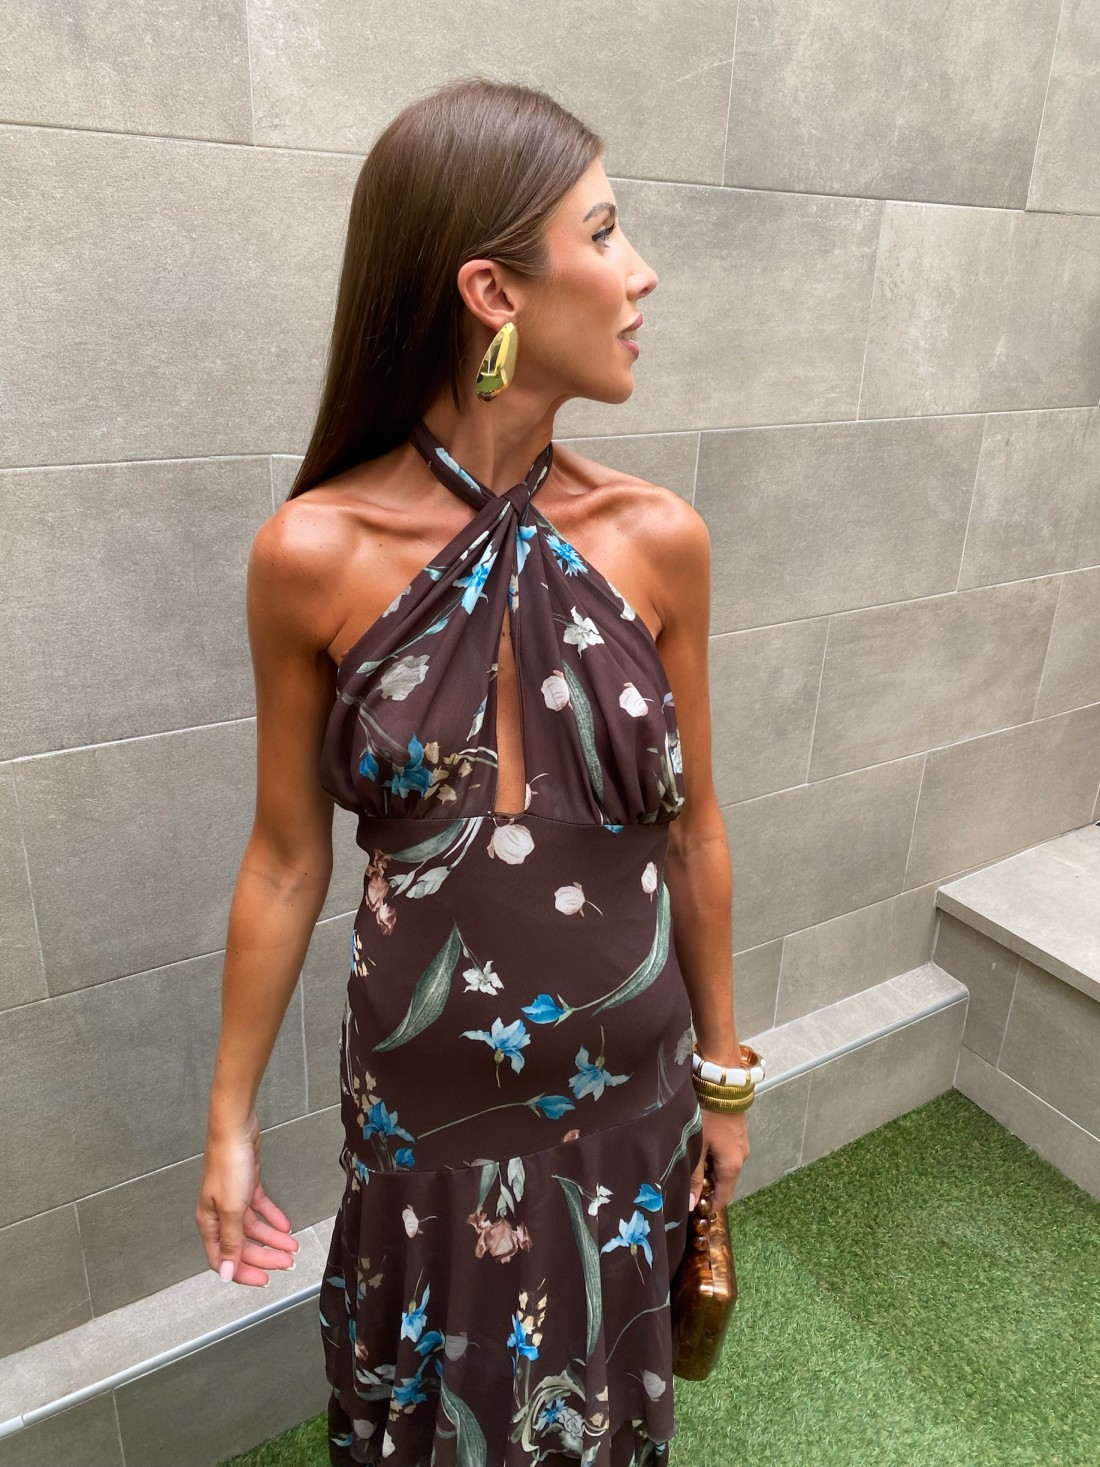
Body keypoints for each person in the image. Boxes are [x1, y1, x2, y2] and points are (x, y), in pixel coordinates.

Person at [196, 77, 749, 1467]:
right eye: (605, 233)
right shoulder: (310, 555)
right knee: (426, 1418)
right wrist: (228, 1120)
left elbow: (695, 833)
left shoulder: (661, 538)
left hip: (631, 1100)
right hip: (423, 1115)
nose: (642, 273)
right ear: (493, 293)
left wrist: (726, 1076)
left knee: (598, 1409)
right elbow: (285, 860)